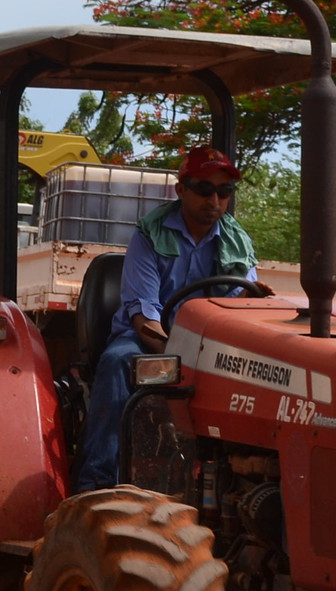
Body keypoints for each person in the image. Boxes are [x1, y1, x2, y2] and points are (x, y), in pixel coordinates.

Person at [74, 145, 261, 490]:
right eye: (205, 189)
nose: (214, 201)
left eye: (224, 192)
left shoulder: (237, 242)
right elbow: (145, 317)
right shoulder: (149, 234)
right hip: (151, 338)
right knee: (120, 363)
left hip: (208, 344)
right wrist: (180, 359)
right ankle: (97, 483)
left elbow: (242, 307)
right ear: (182, 189)